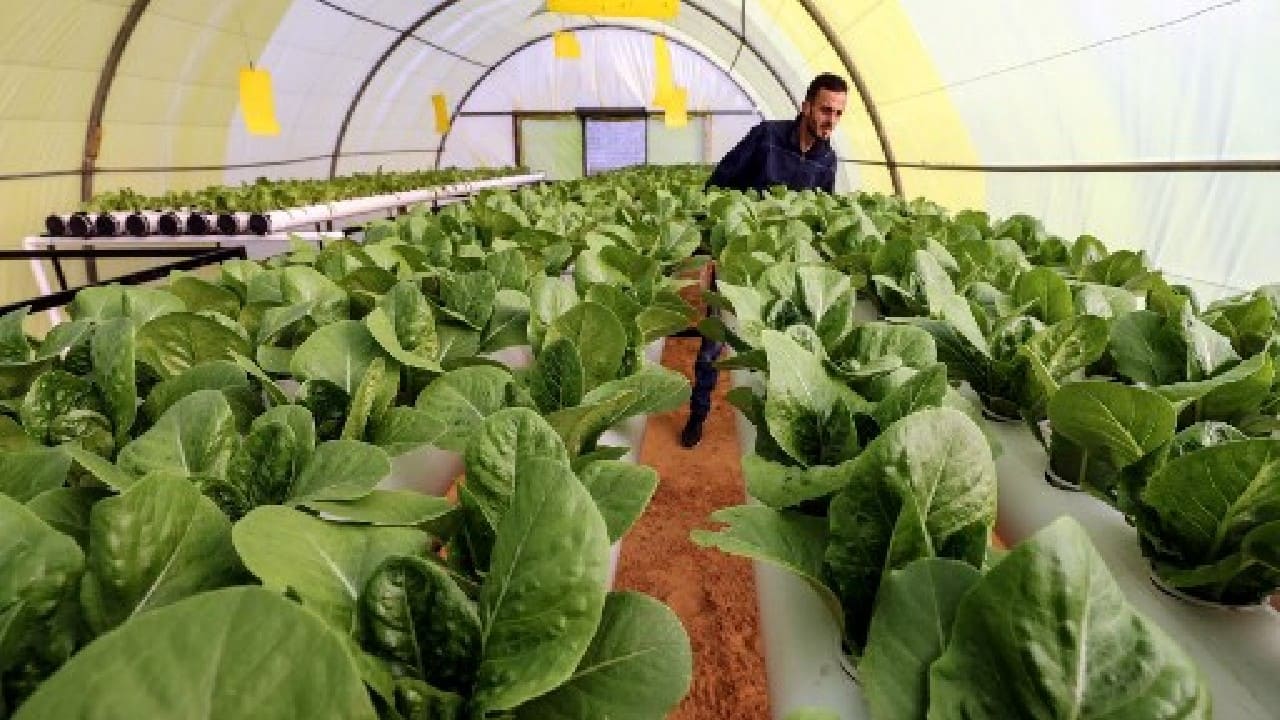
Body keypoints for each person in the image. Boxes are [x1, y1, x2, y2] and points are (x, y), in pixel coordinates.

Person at [681, 73, 849, 448]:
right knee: (714, 343)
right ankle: (698, 412)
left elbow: (819, 218)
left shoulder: (828, 162)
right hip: (738, 262)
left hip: (783, 278)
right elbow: (718, 185)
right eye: (825, 110)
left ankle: (772, 434)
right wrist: (721, 240)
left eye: (838, 114)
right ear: (805, 106)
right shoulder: (767, 138)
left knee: (776, 352)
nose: (831, 121)